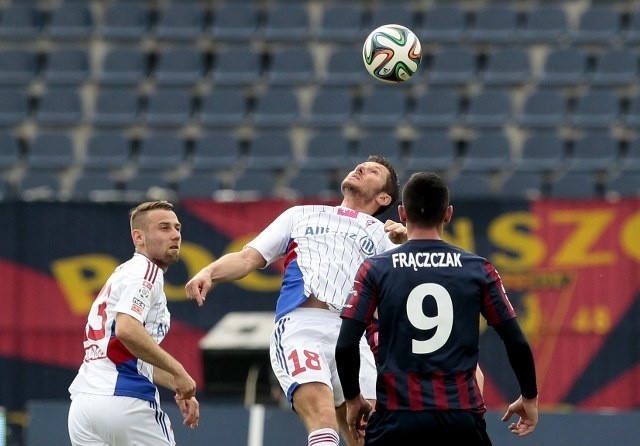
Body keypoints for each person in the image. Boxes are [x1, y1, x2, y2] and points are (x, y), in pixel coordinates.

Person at [185, 155, 406, 446]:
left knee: (370, 435)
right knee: (323, 420)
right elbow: (248, 257)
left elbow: (407, 290)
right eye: (360, 165)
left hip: (352, 337)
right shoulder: (300, 215)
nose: (360, 168)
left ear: (384, 196)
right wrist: (210, 272)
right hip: (302, 327)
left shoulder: (384, 235)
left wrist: (405, 247)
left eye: (373, 171)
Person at [335, 172, 538, 445]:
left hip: (396, 418)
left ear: (402, 213)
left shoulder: (376, 268)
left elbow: (346, 344)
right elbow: (515, 341)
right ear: (448, 214)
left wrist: (352, 398)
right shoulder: (478, 269)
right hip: (459, 417)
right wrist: (529, 396)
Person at [68, 200, 200, 446]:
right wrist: (180, 371)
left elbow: (128, 350)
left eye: (177, 228)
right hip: (125, 399)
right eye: (164, 228)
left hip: (84, 404)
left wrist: (178, 384)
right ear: (138, 237)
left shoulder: (125, 273)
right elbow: (127, 330)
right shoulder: (145, 272)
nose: (175, 235)